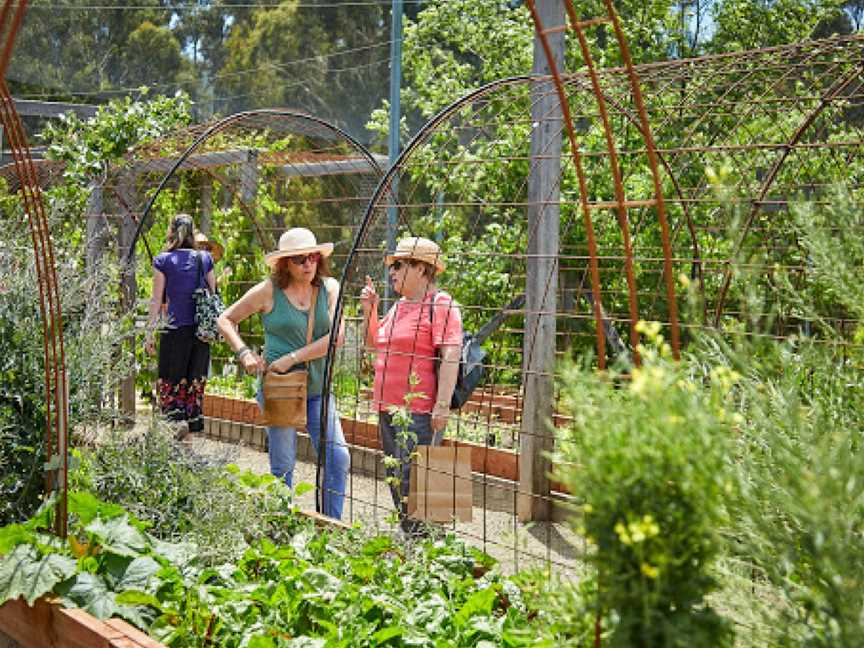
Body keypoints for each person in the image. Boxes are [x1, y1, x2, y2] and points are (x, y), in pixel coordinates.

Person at [217, 227, 350, 519]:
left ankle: (331, 525)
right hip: (280, 386)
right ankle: (281, 525)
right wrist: (244, 352)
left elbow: (336, 339)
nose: (308, 264)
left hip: (318, 389)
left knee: (337, 457)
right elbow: (225, 319)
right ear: (284, 264)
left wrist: (293, 357)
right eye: (299, 259)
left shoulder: (329, 288)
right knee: (283, 465)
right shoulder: (269, 291)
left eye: (312, 257)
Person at [360, 236, 463, 533]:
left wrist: (442, 405)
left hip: (419, 411)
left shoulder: (441, 304)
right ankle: (416, 547)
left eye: (398, 264)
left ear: (421, 268)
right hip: (387, 407)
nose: (391, 271)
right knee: (398, 481)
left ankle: (434, 550)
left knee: (424, 485)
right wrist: (371, 309)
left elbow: (451, 353)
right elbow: (374, 344)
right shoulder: (399, 306)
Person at [145, 213, 215, 436]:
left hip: (174, 333)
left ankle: (177, 452)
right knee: (192, 390)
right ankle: (188, 448)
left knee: (172, 387)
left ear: (171, 232)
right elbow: (213, 297)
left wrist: (149, 335)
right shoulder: (205, 259)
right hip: (200, 334)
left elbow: (157, 300)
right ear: (192, 232)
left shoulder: (163, 260)